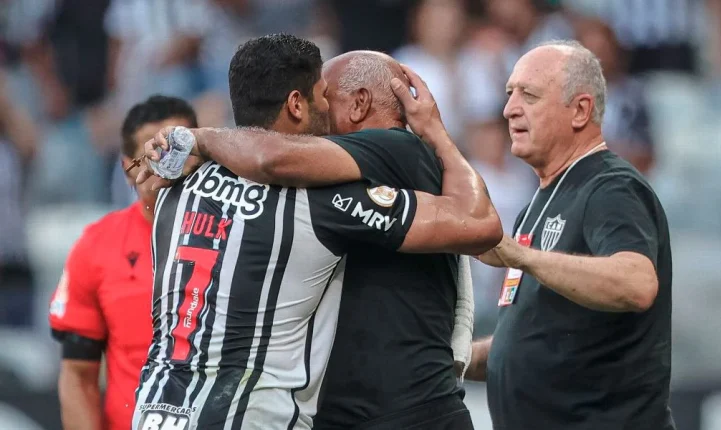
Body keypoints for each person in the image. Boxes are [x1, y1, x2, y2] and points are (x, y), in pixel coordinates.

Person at [134, 35, 499, 430]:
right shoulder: (312, 195)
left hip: (160, 407)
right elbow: (268, 158)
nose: (324, 110)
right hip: (270, 412)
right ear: (295, 103)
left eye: (330, 95)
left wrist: (198, 139)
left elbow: (265, 159)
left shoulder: (175, 189)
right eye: (320, 96)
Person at [463, 40, 675, 430]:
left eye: (529, 95)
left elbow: (637, 283)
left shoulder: (610, 186)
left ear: (580, 110)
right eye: (509, 94)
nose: (509, 109)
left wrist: (518, 255)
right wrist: (452, 359)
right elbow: (530, 340)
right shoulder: (538, 206)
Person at [48, 96, 199, 430]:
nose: (172, 169)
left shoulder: (246, 230)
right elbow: (78, 375)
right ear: (129, 166)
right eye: (156, 155)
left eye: (182, 153)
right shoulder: (97, 246)